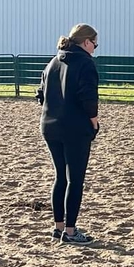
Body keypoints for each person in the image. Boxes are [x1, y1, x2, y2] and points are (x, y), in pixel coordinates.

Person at [36, 23, 100, 245]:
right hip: (75, 128)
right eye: (95, 43)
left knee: (60, 177)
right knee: (76, 180)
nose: (95, 47)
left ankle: (58, 227)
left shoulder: (53, 62)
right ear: (85, 42)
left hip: (50, 126)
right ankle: (71, 232)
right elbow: (88, 99)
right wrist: (94, 123)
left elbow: (40, 95)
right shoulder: (86, 64)